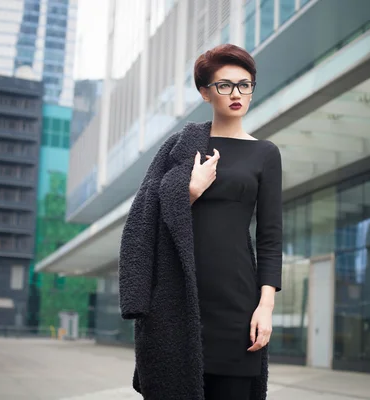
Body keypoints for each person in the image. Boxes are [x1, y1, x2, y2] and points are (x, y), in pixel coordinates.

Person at [118, 43, 283, 400]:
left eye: (245, 84)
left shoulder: (265, 154)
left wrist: (265, 307)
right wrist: (187, 192)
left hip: (238, 307)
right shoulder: (181, 149)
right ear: (205, 92)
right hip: (177, 305)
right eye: (224, 85)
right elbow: (141, 216)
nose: (236, 93)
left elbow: (270, 237)